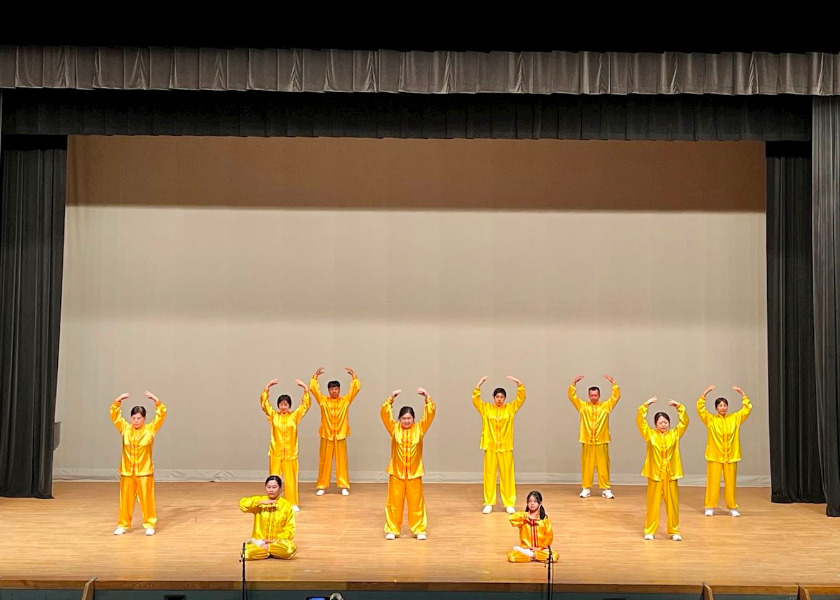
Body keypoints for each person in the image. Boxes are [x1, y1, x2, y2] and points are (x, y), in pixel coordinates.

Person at [381, 387, 436, 540]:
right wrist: (391, 398)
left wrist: (427, 397)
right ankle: (392, 529)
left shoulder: (420, 429)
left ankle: (419, 529)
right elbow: (384, 413)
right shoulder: (394, 429)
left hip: (414, 473)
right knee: (394, 502)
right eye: (404, 418)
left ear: (413, 419)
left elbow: (430, 413)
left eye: (409, 418)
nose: (406, 421)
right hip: (397, 472)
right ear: (399, 419)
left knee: (416, 502)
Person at [109, 391, 167, 535]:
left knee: (147, 499)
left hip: (144, 472)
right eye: (133, 418)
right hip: (127, 471)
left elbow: (161, 414)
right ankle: (123, 524)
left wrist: (156, 400)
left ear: (144, 418)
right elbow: (114, 415)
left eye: (139, 418)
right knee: (126, 500)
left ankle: (150, 525)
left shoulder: (150, 429)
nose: (135, 421)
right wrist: (118, 400)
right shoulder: (125, 428)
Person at [637, 397, 688, 541]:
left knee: (672, 503)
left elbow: (684, 422)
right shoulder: (650, 434)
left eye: (666, 422)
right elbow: (640, 421)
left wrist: (679, 407)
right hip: (655, 473)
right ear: (655, 424)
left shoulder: (675, 434)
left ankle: (674, 531)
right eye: (660, 422)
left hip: (671, 474)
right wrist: (646, 405)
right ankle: (650, 530)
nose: (663, 424)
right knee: (653, 503)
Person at [472, 375, 526, 514]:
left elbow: (521, 398)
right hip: (490, 446)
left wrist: (518, 383)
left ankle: (509, 503)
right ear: (493, 397)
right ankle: (489, 502)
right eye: (497, 397)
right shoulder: (486, 409)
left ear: (505, 398)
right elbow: (475, 400)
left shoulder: (510, 408)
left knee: (507, 475)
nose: (499, 399)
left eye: (502, 397)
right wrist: (479, 385)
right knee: (489, 474)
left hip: (505, 446)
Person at [697, 384, 753, 517]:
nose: (723, 408)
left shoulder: (735, 418)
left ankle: (732, 506)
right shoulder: (710, 419)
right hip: (714, 456)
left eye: (725, 405)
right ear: (716, 408)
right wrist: (705, 393)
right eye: (720, 405)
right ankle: (710, 506)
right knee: (713, 482)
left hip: (731, 456)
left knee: (731, 483)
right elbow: (700, 409)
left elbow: (747, 409)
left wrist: (743, 395)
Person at [260, 378, 311, 512]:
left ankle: (292, 503)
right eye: (281, 404)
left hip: (290, 453)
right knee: (273, 479)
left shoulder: (294, 416)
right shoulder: (273, 416)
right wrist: (267, 387)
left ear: (289, 405)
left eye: (286, 404)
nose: (283, 406)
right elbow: (265, 405)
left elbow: (305, 406)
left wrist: (305, 389)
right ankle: (272, 502)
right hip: (275, 452)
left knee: (290, 479)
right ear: (278, 405)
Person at [309, 366, 361, 496]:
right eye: (332, 389)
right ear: (328, 390)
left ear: (339, 390)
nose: (334, 391)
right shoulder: (323, 401)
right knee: (324, 461)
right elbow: (314, 390)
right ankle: (322, 485)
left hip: (340, 435)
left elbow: (355, 389)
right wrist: (315, 377)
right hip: (326, 435)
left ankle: (343, 485)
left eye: (336, 389)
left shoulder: (345, 401)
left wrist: (354, 376)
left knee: (342, 461)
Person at [567, 374, 620, 498]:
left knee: (603, 465)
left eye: (595, 395)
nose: (593, 397)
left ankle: (606, 488)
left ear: (599, 395)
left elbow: (616, 396)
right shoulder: (583, 406)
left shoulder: (606, 406)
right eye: (591, 395)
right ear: (588, 395)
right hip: (587, 440)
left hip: (602, 440)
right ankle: (586, 488)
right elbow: (572, 396)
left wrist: (614, 383)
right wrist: (573, 384)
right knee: (587, 465)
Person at [239, 475, 296, 560]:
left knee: (290, 550)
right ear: (265, 488)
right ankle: (269, 551)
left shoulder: (286, 506)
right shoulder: (260, 501)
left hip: (277, 543)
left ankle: (267, 549)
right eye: (268, 487)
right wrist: (260, 502)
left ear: (280, 489)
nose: (271, 490)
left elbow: (290, 529)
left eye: (274, 487)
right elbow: (242, 504)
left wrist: (277, 540)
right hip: (260, 542)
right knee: (245, 554)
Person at [507, 490, 559, 563]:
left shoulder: (544, 519)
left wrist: (540, 548)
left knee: (554, 556)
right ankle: (535, 556)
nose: (532, 504)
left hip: (541, 549)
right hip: (526, 549)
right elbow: (512, 519)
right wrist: (525, 515)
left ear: (540, 503)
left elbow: (549, 536)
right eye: (530, 501)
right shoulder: (523, 517)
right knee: (512, 557)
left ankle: (532, 556)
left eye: (535, 501)